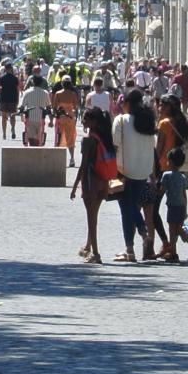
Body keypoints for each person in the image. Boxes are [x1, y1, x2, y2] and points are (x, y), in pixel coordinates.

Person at [111, 88, 156, 263]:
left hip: (124, 170)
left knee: (126, 208)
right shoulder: (147, 122)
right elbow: (151, 149)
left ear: (127, 103)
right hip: (143, 172)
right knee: (132, 206)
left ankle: (135, 243)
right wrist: (152, 175)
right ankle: (133, 245)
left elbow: (115, 146)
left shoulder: (121, 121)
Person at [72, 108, 116, 264]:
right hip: (103, 181)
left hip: (91, 182)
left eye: (85, 119)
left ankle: (96, 254)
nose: (83, 121)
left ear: (93, 122)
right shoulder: (104, 138)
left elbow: (83, 165)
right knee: (94, 216)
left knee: (91, 219)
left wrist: (75, 185)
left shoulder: (88, 140)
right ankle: (88, 246)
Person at [158, 147, 188, 264]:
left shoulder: (166, 175)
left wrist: (153, 189)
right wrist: (185, 210)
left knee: (172, 230)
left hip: (172, 207)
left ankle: (173, 253)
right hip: (181, 206)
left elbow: (162, 191)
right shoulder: (182, 177)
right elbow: (184, 195)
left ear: (170, 161)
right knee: (179, 229)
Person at [52, 75, 81, 165]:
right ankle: (72, 158)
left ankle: (57, 159)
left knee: (58, 137)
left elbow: (54, 107)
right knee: (71, 138)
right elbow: (76, 107)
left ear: (62, 84)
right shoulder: (73, 94)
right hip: (70, 118)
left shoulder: (58, 93)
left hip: (60, 117)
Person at [20, 73, 51, 147]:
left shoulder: (27, 92)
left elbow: (22, 107)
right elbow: (48, 107)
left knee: (30, 138)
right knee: (39, 139)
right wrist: (51, 119)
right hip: (41, 119)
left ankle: (32, 150)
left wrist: (22, 117)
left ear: (33, 82)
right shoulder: (45, 93)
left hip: (30, 119)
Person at [0, 61, 20, 141]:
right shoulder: (15, 78)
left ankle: (4, 134)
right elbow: (18, 90)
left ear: (5, 69)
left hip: (4, 98)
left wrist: (0, 92)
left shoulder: (2, 78)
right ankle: (13, 128)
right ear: (11, 69)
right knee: (12, 116)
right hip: (13, 99)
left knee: (4, 117)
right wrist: (17, 99)